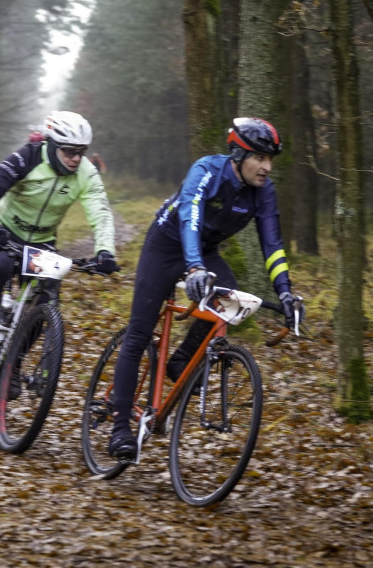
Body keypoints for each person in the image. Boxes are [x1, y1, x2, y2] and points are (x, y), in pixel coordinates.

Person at [107, 117, 302, 459]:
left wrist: (285, 291)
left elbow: (272, 243)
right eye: (260, 157)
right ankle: (120, 427)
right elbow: (190, 217)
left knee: (228, 292)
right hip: (167, 245)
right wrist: (194, 266)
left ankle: (181, 360)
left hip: (206, 252)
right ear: (239, 156)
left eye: (271, 159)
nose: (267, 167)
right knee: (139, 333)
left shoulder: (263, 191)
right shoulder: (207, 171)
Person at [0, 111, 118, 383]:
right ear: (52, 146)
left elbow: (100, 211)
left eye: (81, 152)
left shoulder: (86, 173)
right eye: (69, 151)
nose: (76, 158)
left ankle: (12, 368)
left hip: (42, 242)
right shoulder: (28, 156)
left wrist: (106, 251)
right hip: (4, 232)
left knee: (45, 299)